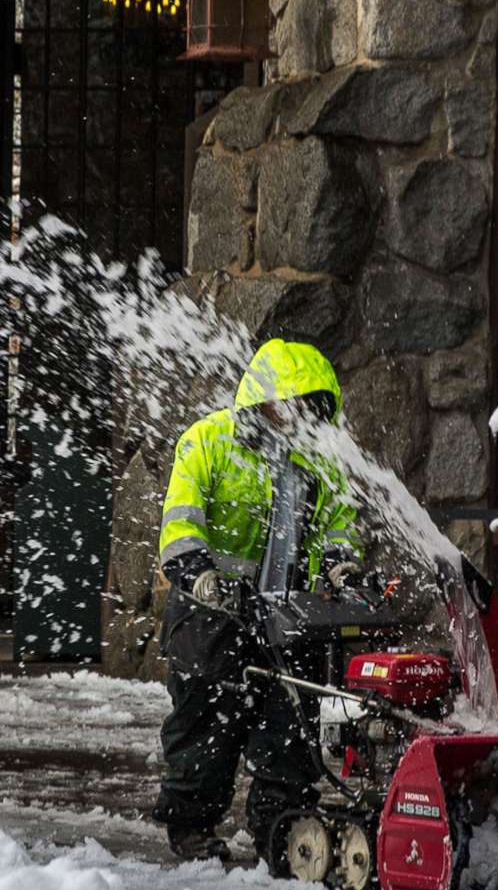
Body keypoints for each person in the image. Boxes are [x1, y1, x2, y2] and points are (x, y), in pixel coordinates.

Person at [152, 338, 364, 863]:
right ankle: (192, 826)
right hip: (212, 615)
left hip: (287, 620)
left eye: (310, 405)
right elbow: (181, 524)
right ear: (260, 400)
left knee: (289, 728)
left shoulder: (318, 461)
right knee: (206, 725)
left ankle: (281, 828)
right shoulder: (208, 441)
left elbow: (337, 525)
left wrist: (341, 563)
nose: (296, 415)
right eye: (289, 402)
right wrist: (198, 574)